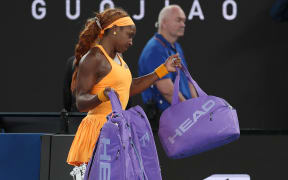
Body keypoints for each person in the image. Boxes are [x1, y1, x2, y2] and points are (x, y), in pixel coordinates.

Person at [66, 8, 182, 168]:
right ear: (114, 30)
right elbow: (80, 102)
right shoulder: (94, 58)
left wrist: (163, 70)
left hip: (115, 130)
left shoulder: (118, 58)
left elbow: (129, 87)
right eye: (129, 35)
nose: (131, 42)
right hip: (98, 133)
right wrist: (101, 95)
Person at [138, 5, 198, 130]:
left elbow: (188, 81)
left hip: (180, 117)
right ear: (164, 23)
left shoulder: (176, 47)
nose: (183, 24)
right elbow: (167, 91)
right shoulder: (155, 50)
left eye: (184, 21)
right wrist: (190, 114)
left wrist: (196, 108)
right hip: (165, 123)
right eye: (178, 20)